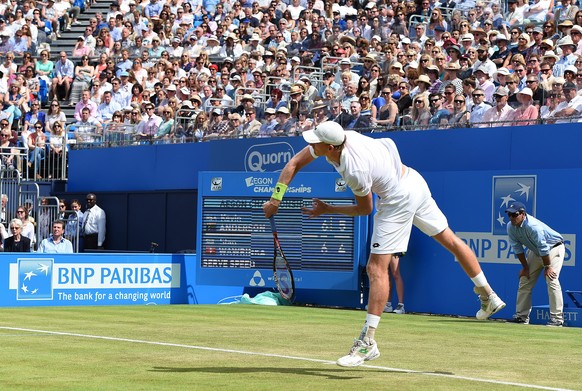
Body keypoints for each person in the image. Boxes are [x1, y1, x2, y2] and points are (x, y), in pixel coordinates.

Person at [262, 121, 506, 368]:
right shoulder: (342, 139)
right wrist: (276, 198)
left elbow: (365, 208)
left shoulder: (353, 169)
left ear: (331, 147)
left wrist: (328, 209)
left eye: (316, 141)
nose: (311, 143)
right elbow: (294, 163)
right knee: (451, 240)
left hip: (397, 198)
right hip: (413, 180)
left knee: (376, 269)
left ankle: (368, 342)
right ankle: (488, 294)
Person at [505, 202, 565, 327]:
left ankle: (557, 319)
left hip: (553, 248)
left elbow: (544, 248)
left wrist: (547, 267)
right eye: (509, 215)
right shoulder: (510, 227)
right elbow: (518, 249)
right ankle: (521, 317)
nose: (511, 218)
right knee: (524, 279)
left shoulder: (533, 226)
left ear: (523, 214)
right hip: (536, 251)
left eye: (514, 214)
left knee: (551, 278)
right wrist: (525, 268)